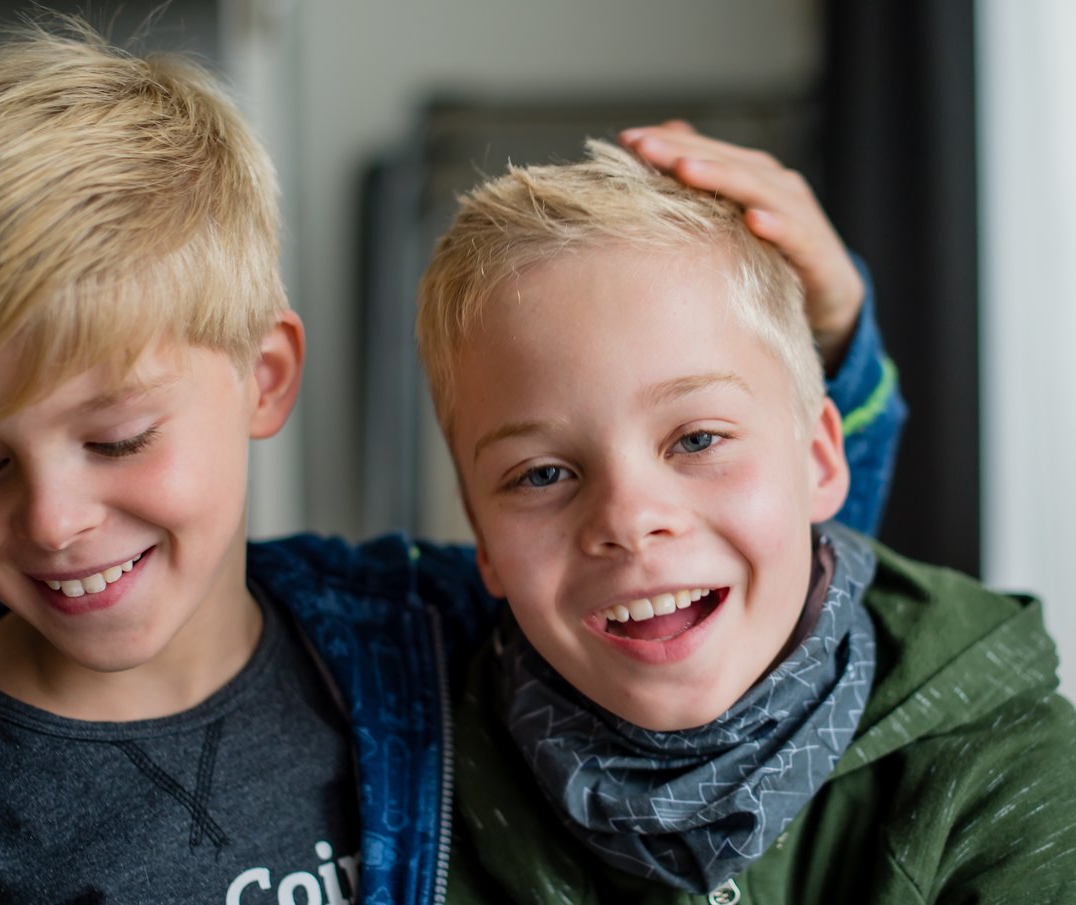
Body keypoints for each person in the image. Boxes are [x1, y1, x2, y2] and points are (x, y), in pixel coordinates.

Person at [0, 17, 903, 905]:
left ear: (266, 376)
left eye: (116, 439)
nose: (52, 517)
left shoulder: (418, 635)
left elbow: (766, 582)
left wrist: (837, 336)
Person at [416, 139, 1076, 903]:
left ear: (823, 459)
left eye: (697, 439)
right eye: (543, 474)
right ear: (484, 539)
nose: (630, 521)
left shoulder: (1007, 773)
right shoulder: (415, 786)